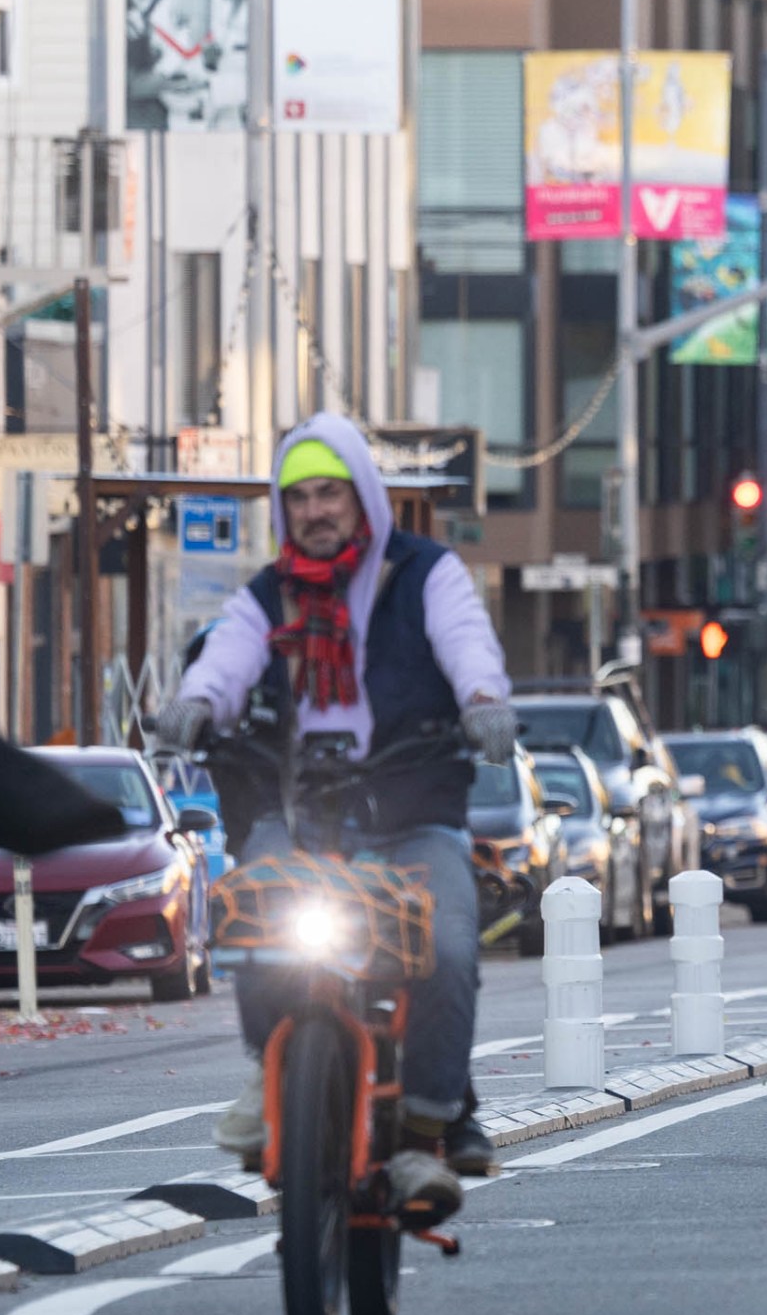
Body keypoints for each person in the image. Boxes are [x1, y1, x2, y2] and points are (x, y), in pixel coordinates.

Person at [152, 415, 518, 1223]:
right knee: (254, 909)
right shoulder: (266, 596)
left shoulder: (428, 575)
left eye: (329, 493)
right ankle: (270, 1067)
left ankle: (428, 1128)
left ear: (363, 499)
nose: (314, 511)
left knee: (450, 944)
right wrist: (193, 705)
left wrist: (484, 702)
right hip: (303, 819)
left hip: (415, 815)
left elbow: (468, 648)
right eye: (297, 497)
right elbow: (226, 663)